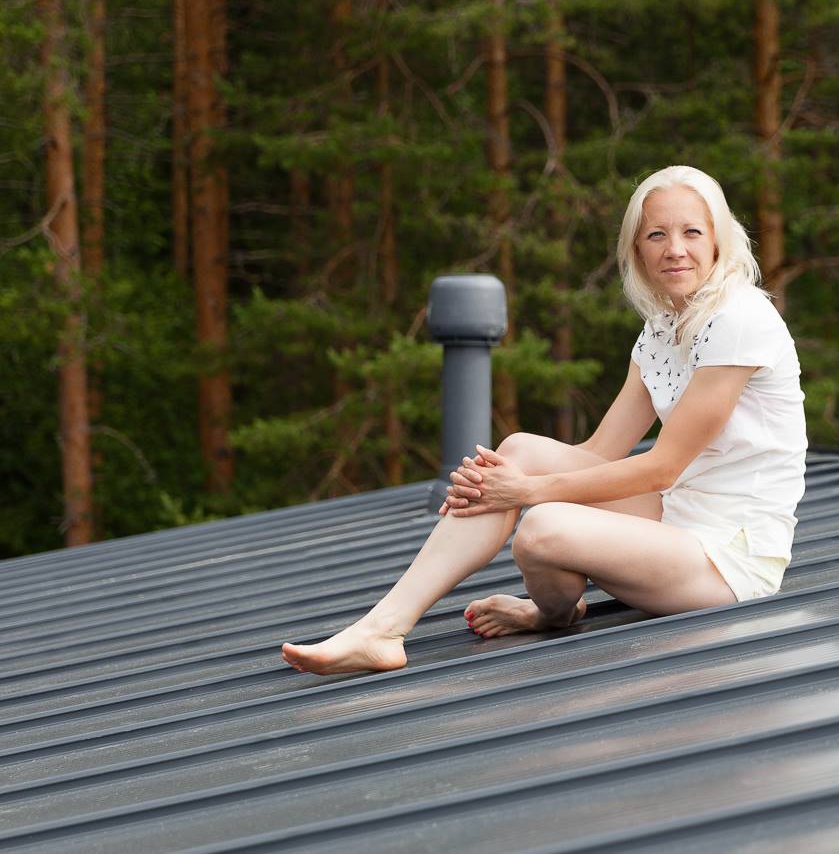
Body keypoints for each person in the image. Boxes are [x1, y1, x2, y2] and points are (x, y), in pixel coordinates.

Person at [281, 165, 807, 675]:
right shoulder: (662, 328)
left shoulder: (739, 320)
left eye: (692, 232)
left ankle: (545, 614)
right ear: (636, 250)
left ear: (718, 241)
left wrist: (525, 493)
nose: (674, 248)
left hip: (728, 557)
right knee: (517, 451)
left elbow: (661, 467)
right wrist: (496, 483)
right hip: (676, 515)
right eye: (656, 234)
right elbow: (600, 452)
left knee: (541, 527)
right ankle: (384, 627)